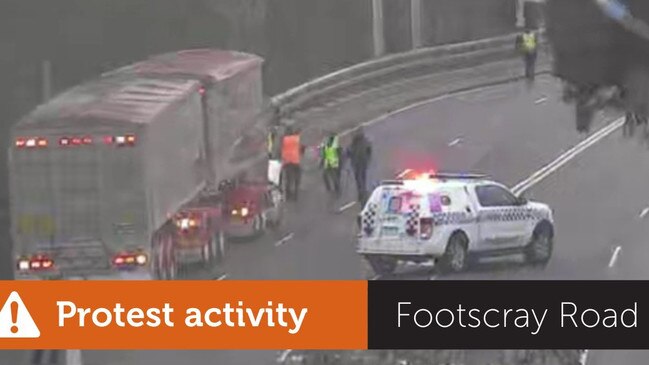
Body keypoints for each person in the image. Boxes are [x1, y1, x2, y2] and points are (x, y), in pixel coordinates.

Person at [346, 127, 372, 205]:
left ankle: (361, 193)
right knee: (362, 178)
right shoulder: (365, 142)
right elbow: (369, 151)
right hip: (362, 163)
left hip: (357, 164)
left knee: (359, 179)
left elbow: (348, 152)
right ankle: (362, 192)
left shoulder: (354, 144)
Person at [280, 125, 305, 201]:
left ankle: (287, 195)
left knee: (288, 179)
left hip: (286, 162)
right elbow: (302, 148)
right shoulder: (297, 139)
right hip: (295, 161)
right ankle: (295, 194)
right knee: (296, 178)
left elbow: (279, 149)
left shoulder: (284, 140)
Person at [320, 131, 343, 199]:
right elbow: (325, 154)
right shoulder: (330, 145)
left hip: (333, 163)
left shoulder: (334, 145)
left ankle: (336, 189)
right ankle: (331, 188)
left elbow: (340, 154)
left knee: (333, 177)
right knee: (326, 176)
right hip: (329, 162)